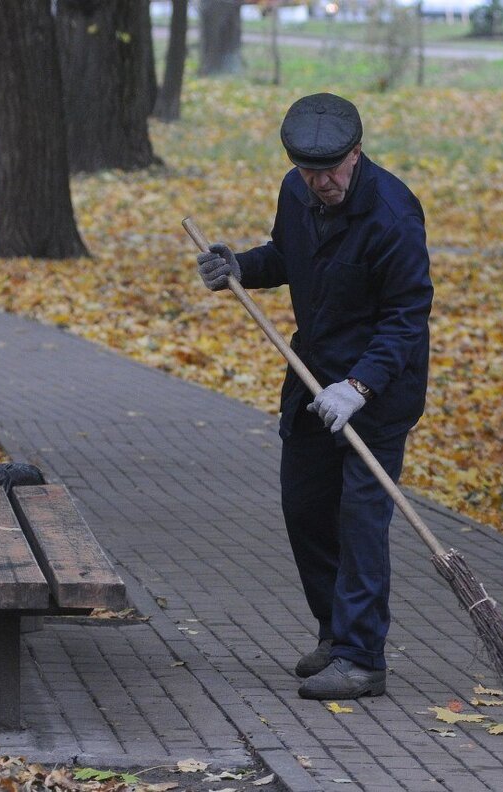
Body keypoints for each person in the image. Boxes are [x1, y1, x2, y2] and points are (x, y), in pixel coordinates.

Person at [196, 93, 433, 700]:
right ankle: (334, 634)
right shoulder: (295, 192)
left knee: (360, 519)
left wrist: (358, 387)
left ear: (357, 153)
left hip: (378, 391)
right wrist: (240, 268)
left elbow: (407, 317)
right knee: (305, 508)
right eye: (309, 172)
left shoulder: (393, 214)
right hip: (311, 376)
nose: (321, 183)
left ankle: (362, 657)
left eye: (332, 171)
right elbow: (286, 256)